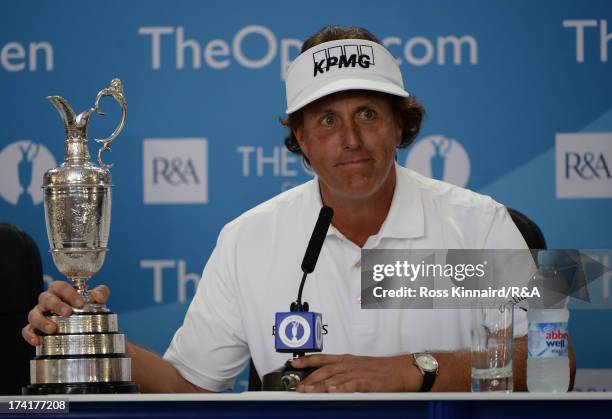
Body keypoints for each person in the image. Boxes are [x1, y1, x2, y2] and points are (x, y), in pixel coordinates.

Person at [23, 26, 575, 393]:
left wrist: (414, 371)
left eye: (368, 113)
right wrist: (94, 338)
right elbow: (192, 388)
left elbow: (558, 364)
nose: (352, 139)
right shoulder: (248, 239)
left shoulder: (479, 222)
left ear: (401, 126)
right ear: (301, 141)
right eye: (327, 121)